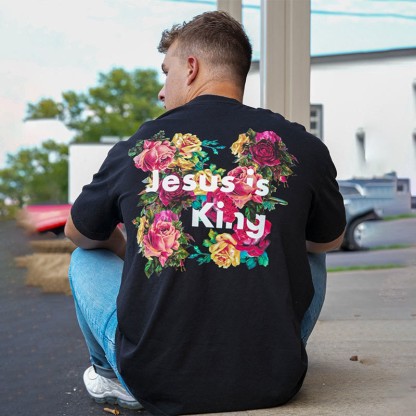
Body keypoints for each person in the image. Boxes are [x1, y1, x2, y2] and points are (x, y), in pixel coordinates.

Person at [65, 11, 346, 416]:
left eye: (167, 72)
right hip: (274, 380)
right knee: (311, 249)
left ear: (192, 68)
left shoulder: (142, 146)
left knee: (84, 257)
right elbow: (329, 240)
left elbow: (78, 231)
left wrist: (124, 247)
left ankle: (110, 375)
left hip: (154, 380)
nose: (161, 91)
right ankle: (268, 350)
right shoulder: (301, 145)